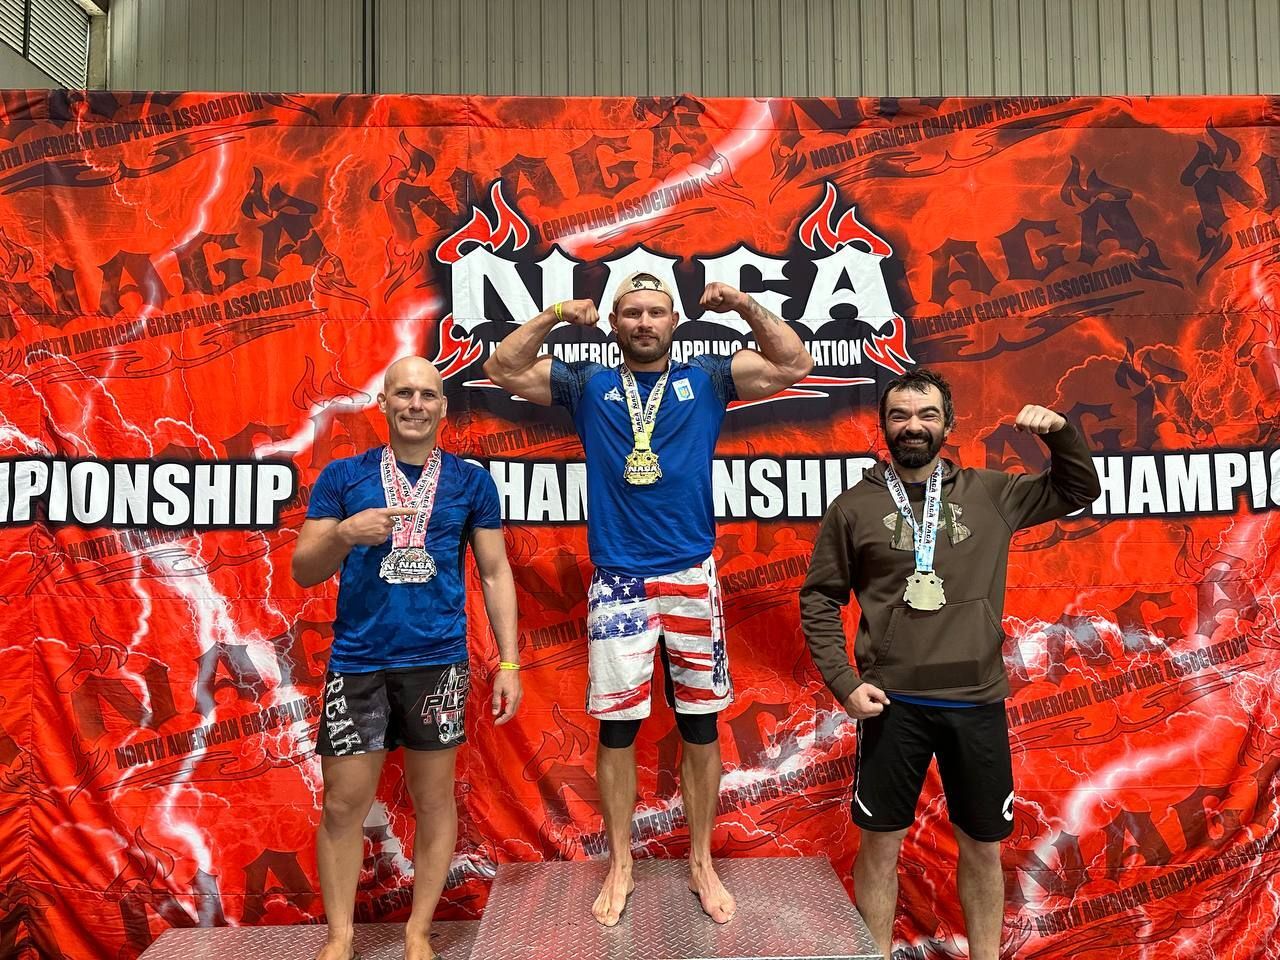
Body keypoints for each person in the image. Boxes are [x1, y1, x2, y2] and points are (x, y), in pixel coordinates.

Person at [483, 272, 812, 926]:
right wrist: (556, 313)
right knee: (618, 728)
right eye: (631, 312)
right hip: (620, 581)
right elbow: (503, 368)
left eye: (655, 312)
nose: (643, 322)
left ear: (673, 322)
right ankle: (621, 864)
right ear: (614, 324)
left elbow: (793, 363)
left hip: (691, 575)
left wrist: (743, 304)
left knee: (700, 725)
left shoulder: (707, 377)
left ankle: (701, 862)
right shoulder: (588, 384)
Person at [799, 368, 1101, 959]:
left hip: (975, 701)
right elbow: (819, 598)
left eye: (927, 415)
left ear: (948, 424)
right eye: (900, 415)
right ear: (884, 425)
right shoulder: (853, 508)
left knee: (983, 846)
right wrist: (843, 682)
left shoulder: (992, 493)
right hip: (890, 705)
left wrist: (1061, 433)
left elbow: (1078, 489)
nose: (913, 426)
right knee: (879, 848)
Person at [291, 356, 522, 960]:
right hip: (359, 661)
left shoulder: (471, 482)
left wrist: (510, 662)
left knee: (433, 799)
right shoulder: (344, 477)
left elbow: (495, 573)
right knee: (342, 802)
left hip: (437, 662)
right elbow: (303, 569)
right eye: (403, 394)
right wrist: (345, 534)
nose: (415, 405)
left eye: (427, 395)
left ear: (443, 407)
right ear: (384, 403)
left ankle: (418, 931)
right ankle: (340, 938)